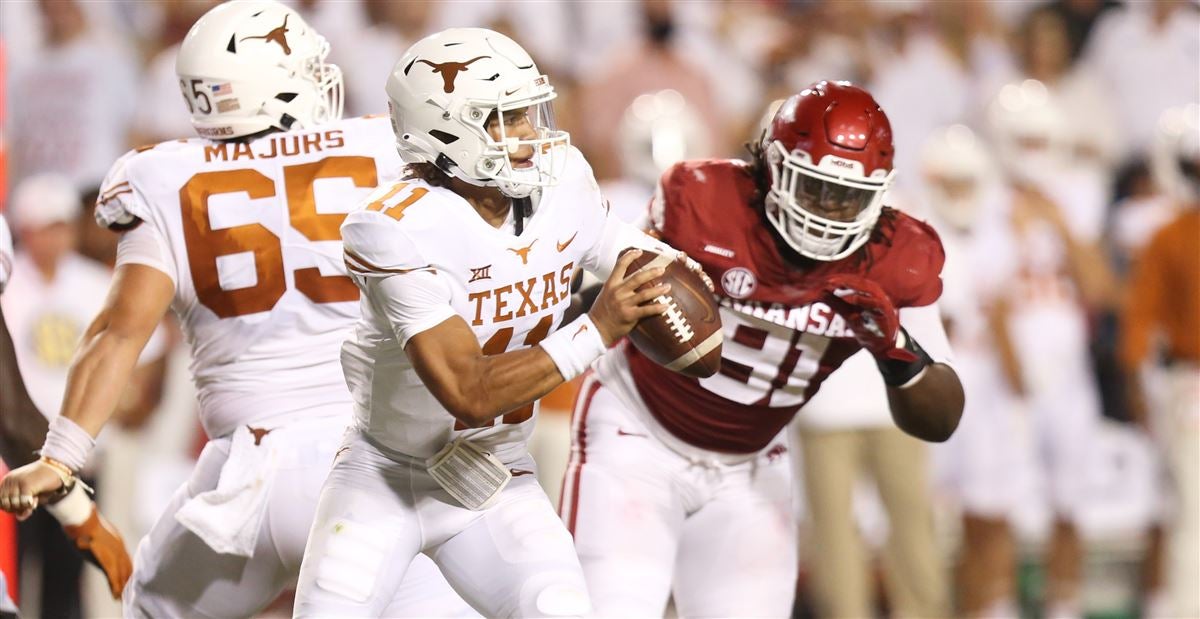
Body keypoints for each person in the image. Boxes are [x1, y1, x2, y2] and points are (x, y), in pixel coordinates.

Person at [0, 2, 469, 617]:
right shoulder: (385, 146)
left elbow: (119, 332)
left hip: (249, 479)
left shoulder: (165, 178)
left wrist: (61, 456)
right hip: (385, 465)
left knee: (148, 605)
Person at [292, 27, 696, 618]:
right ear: (442, 130)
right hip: (384, 477)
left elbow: (634, 257)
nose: (531, 135)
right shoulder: (393, 227)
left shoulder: (564, 184)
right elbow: (468, 391)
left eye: (530, 114)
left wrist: (707, 270)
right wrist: (598, 328)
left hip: (497, 473)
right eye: (505, 120)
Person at [559, 81, 964, 617]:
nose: (829, 212)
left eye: (848, 196)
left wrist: (894, 348)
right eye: (814, 187)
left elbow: (940, 418)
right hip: (637, 432)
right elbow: (598, 291)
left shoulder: (896, 257)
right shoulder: (704, 199)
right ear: (772, 166)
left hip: (751, 462)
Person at [1121, 103, 1200, 619]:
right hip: (1191, 383)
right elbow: (1140, 319)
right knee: (1193, 509)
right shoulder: (1169, 235)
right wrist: (1138, 381)